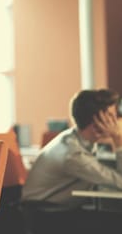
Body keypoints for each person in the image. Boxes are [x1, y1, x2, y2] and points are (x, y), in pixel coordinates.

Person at [21, 89, 122, 234]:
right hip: (45, 217)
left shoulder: (76, 139)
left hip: (59, 210)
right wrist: (118, 139)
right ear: (97, 120)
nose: (117, 121)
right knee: (116, 224)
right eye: (111, 116)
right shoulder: (73, 155)